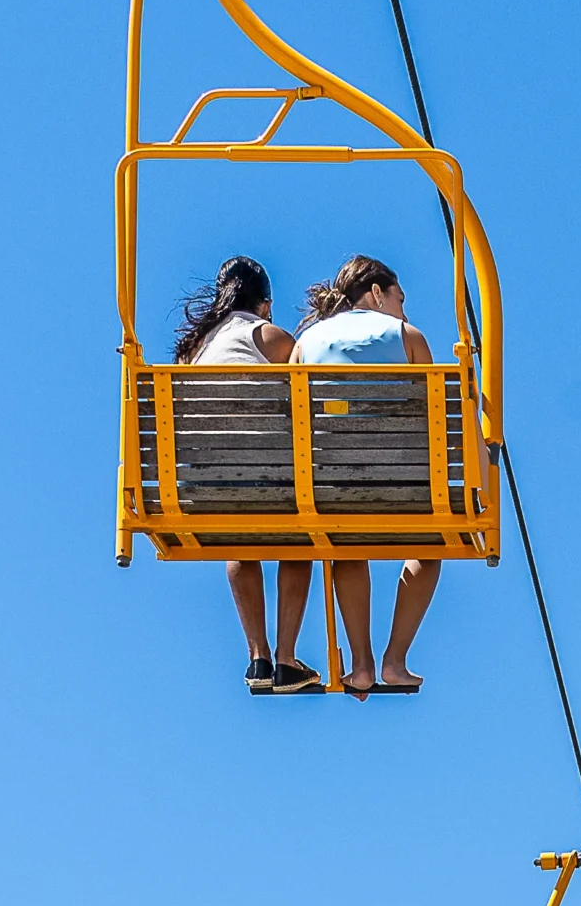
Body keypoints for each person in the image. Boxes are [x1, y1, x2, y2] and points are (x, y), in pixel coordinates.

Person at [294, 256, 443, 698]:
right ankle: (394, 661)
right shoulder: (407, 337)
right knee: (428, 550)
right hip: (402, 484)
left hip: (327, 485)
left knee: (347, 546)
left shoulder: (306, 342)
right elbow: (436, 418)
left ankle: (360, 665)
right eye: (400, 298)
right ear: (377, 293)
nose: (404, 310)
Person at [172, 258, 318, 696]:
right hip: (268, 477)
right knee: (300, 535)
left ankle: (258, 656)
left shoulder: (194, 349)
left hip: (204, 485)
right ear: (265, 304)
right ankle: (287, 658)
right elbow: (308, 389)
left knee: (241, 536)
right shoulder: (264, 333)